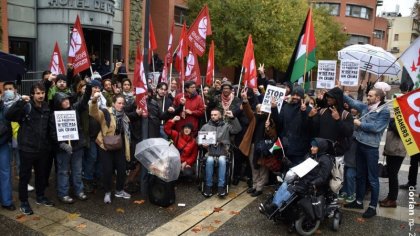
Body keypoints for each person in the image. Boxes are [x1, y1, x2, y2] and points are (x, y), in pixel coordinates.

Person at [6, 83, 55, 215]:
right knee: (25, 176)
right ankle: (24, 202)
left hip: (42, 149)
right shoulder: (26, 106)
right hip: (27, 148)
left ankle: (40, 196)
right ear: (32, 94)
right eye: (38, 93)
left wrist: (49, 144)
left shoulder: (46, 107)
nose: (40, 96)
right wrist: (20, 102)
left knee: (41, 175)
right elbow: (9, 116)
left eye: (42, 93)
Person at [343, 88, 390, 219]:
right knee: (360, 176)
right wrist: (340, 90)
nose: (367, 97)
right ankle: (358, 202)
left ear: (378, 98)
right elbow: (351, 102)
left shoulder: (384, 111)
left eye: (370, 96)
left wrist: (360, 123)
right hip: (360, 144)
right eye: (367, 95)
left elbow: (376, 128)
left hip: (371, 149)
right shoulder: (366, 106)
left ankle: (372, 207)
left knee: (373, 179)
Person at [89, 93, 142, 203]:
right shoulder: (105, 112)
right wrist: (94, 100)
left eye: (123, 103)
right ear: (113, 103)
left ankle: (119, 190)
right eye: (119, 103)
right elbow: (94, 113)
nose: (121, 105)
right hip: (106, 146)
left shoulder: (124, 115)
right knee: (107, 170)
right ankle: (107, 192)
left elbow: (130, 118)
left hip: (119, 145)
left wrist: (137, 114)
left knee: (122, 170)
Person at [260, 138, 333, 216]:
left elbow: (323, 177)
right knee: (285, 184)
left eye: (314, 147)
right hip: (302, 180)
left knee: (292, 189)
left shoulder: (325, 160)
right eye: (311, 146)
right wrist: (288, 163)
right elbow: (298, 168)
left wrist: (313, 183)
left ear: (320, 148)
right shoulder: (309, 156)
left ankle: (274, 207)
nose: (311, 148)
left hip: (313, 184)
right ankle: (273, 205)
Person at [50, 85, 91, 203]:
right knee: (63, 171)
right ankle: (63, 193)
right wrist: (62, 144)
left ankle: (79, 191)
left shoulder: (75, 109)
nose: (66, 101)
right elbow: (53, 133)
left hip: (77, 146)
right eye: (63, 100)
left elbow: (84, 100)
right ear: (58, 103)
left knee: (77, 170)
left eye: (67, 99)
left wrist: (88, 88)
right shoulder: (54, 116)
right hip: (63, 149)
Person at [199, 109, 242, 197]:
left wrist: (233, 118)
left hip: (223, 151)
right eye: (211, 115)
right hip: (210, 151)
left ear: (220, 116)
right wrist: (202, 144)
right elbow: (198, 139)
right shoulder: (205, 126)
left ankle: (221, 186)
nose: (213, 116)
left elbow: (237, 129)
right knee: (210, 160)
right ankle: (208, 186)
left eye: (215, 114)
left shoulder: (226, 126)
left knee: (222, 160)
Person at [271, 86, 311, 165]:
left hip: (300, 149)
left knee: (296, 174)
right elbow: (279, 122)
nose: (295, 97)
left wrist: (303, 112)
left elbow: (308, 127)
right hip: (286, 147)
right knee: (285, 173)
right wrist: (274, 109)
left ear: (302, 96)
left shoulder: (308, 109)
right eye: (294, 94)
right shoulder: (286, 107)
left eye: (298, 95)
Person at [380, 118, 407, 208]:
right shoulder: (396, 119)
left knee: (393, 175)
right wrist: (385, 149)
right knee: (391, 175)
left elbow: (399, 131)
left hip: (398, 151)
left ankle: (392, 200)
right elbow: (389, 135)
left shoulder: (404, 118)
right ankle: (390, 197)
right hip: (391, 150)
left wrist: (392, 121)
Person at [0, 87, 15, 211]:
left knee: (5, 172)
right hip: (4, 142)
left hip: (3, 144)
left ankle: (6, 200)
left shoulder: (5, 108)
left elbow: (9, 124)